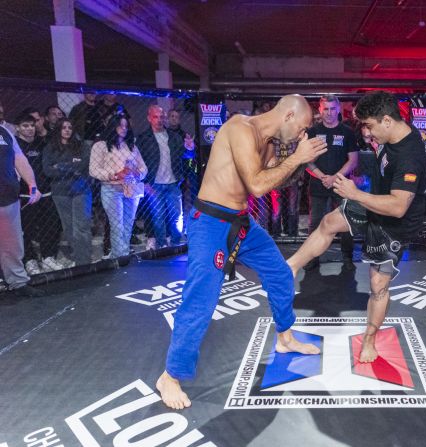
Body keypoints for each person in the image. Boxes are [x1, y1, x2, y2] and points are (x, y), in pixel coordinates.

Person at [156, 95, 327, 410]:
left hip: (240, 221)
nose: (302, 134)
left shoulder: (271, 143)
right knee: (201, 299)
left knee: (280, 273)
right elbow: (257, 185)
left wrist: (300, 160)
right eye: (302, 126)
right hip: (210, 222)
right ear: (289, 115)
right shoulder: (240, 128)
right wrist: (297, 157)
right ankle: (170, 376)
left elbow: (273, 179)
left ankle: (285, 337)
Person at [287, 91, 426, 364]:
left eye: (370, 126)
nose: (367, 132)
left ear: (387, 120)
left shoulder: (411, 154)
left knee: (378, 284)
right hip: (374, 201)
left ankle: (369, 340)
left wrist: (355, 194)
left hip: (395, 224)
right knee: (329, 222)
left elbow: (398, 206)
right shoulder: (390, 135)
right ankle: (290, 267)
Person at [304, 95, 358, 271]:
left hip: (341, 184)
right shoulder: (312, 132)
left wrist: (335, 177)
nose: (329, 113)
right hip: (318, 184)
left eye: (332, 109)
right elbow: (306, 161)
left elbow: (353, 160)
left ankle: (347, 257)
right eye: (325, 109)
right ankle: (312, 257)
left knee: (346, 221)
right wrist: (323, 177)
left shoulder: (347, 132)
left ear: (338, 110)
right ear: (320, 110)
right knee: (315, 223)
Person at [89, 114, 147, 258]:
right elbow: (93, 170)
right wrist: (114, 175)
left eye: (126, 126)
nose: (124, 128)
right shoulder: (100, 146)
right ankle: (119, 257)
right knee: (117, 225)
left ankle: (123, 254)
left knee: (128, 224)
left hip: (131, 187)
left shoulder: (131, 146)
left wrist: (137, 174)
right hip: (111, 188)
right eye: (121, 125)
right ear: (113, 126)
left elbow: (144, 168)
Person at [137, 105, 192, 249]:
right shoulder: (143, 138)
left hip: (172, 182)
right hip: (154, 184)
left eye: (161, 117)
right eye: (155, 117)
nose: (159, 120)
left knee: (177, 216)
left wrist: (190, 148)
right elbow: (139, 161)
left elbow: (186, 155)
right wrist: (145, 183)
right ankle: (162, 246)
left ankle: (176, 243)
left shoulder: (173, 136)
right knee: (158, 217)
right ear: (149, 118)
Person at [0, 121, 45, 297]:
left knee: (12, 244)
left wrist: (32, 184)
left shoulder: (4, 132)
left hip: (9, 197)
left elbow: (19, 158)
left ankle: (18, 283)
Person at [15, 112, 64, 273]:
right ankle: (29, 261)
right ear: (17, 128)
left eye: (32, 125)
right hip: (25, 195)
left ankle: (48, 257)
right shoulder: (14, 145)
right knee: (27, 230)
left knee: (50, 226)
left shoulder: (42, 143)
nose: (30, 129)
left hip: (46, 193)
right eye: (25, 126)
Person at [43, 119, 93, 266]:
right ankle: (78, 258)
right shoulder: (50, 148)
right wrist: (72, 168)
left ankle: (84, 262)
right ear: (58, 129)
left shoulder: (82, 146)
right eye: (63, 127)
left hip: (81, 190)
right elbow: (48, 171)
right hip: (60, 193)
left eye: (70, 127)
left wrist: (60, 166)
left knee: (81, 227)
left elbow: (83, 166)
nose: (67, 130)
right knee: (69, 228)